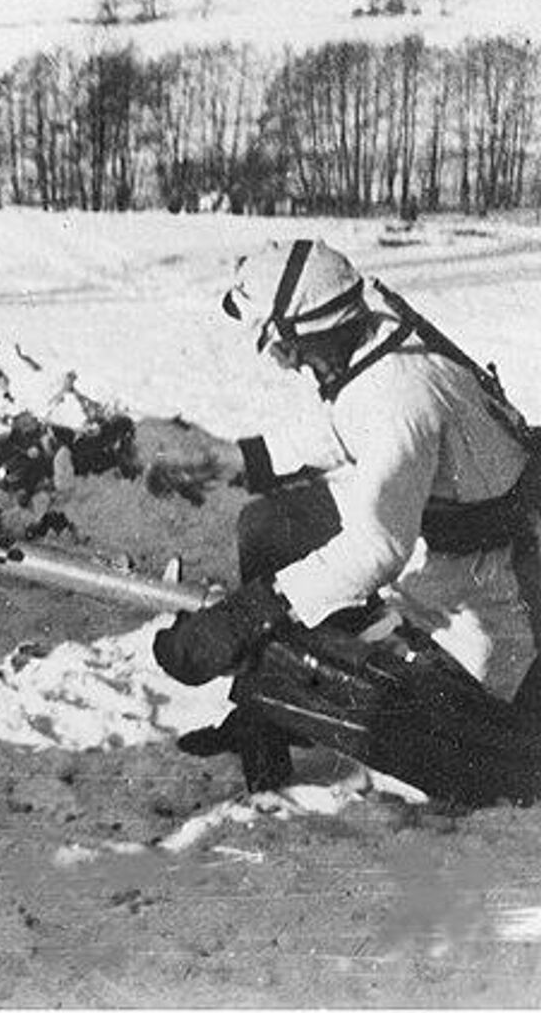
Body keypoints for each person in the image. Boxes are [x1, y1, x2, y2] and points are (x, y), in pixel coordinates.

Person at [154, 237, 541, 793]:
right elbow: (347, 420)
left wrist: (243, 618)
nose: (280, 363)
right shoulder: (371, 331)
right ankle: (262, 720)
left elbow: (377, 548)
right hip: (433, 527)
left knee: (407, 723)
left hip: (485, 588)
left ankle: (286, 699)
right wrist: (235, 460)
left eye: (277, 346)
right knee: (269, 529)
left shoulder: (399, 394)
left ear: (302, 336)